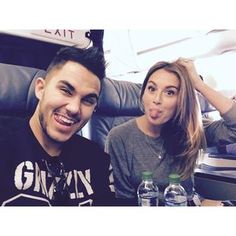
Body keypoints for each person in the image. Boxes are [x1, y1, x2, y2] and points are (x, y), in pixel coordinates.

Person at [105, 58, 236, 206]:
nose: (157, 99)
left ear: (182, 100)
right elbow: (123, 203)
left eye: (169, 92)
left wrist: (198, 84)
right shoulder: (119, 138)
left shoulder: (189, 130)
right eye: (152, 89)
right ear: (142, 94)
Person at [0, 46, 115, 206]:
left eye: (88, 100)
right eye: (66, 90)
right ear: (41, 89)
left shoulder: (97, 159)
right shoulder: (4, 143)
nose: (74, 108)